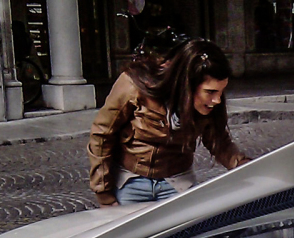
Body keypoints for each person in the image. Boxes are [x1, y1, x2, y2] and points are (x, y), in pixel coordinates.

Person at [87, 38, 250, 207]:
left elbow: (219, 142)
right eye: (210, 92)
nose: (217, 100)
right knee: (134, 232)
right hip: (130, 180)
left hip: (178, 181)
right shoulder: (134, 85)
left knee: (185, 231)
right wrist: (104, 193)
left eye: (221, 92)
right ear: (186, 84)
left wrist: (244, 166)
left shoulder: (207, 105)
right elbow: (102, 134)